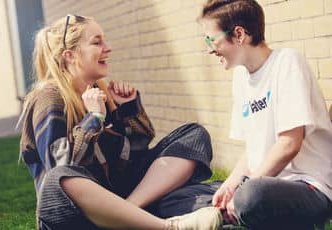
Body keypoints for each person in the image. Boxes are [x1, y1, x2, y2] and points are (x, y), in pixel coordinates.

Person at [19, 14, 222, 230]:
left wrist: (128, 108)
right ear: (70, 56)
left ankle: (127, 212)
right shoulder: (48, 97)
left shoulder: (98, 91)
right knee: (59, 178)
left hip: (119, 194)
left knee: (193, 135)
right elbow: (61, 166)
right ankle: (168, 227)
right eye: (97, 42)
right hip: (73, 212)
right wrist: (94, 119)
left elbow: (137, 148)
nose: (108, 48)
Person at [198, 0, 332, 229]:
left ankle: (235, 215)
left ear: (239, 34)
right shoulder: (240, 78)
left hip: (308, 187)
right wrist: (230, 185)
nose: (209, 48)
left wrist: (243, 188)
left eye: (211, 39)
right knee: (189, 195)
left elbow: (290, 143)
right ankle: (229, 214)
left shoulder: (287, 62)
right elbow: (252, 150)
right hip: (267, 183)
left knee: (250, 197)